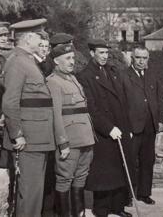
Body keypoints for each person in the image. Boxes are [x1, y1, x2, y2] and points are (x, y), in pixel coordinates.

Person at [1, 19, 58, 217]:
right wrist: (17, 134)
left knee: (35, 192)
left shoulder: (27, 60)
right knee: (30, 193)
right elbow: (10, 102)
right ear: (28, 38)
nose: (41, 39)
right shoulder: (17, 61)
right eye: (38, 35)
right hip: (28, 140)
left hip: (38, 138)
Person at [78, 39, 133, 217]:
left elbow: (122, 100)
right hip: (103, 133)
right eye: (100, 53)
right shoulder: (85, 76)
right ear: (92, 53)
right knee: (104, 175)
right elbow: (91, 109)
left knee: (120, 170)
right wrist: (108, 128)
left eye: (106, 53)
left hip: (119, 128)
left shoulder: (111, 72)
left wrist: (127, 127)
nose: (104, 56)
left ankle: (117, 208)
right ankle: (101, 210)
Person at [47, 43, 95, 217]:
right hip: (70, 140)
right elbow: (56, 115)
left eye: (73, 58)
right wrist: (62, 142)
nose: (72, 61)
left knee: (81, 177)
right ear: (56, 61)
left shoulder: (73, 78)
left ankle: (78, 214)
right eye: (67, 58)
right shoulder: (53, 81)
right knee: (64, 178)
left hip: (86, 138)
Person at [120, 45, 163, 205]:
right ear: (132, 58)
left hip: (149, 127)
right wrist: (125, 127)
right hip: (132, 127)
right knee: (130, 161)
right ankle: (128, 195)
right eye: (138, 57)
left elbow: (159, 99)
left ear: (148, 59)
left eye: (144, 58)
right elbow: (121, 104)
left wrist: (160, 120)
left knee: (147, 160)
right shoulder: (124, 76)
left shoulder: (153, 76)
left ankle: (144, 193)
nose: (141, 61)